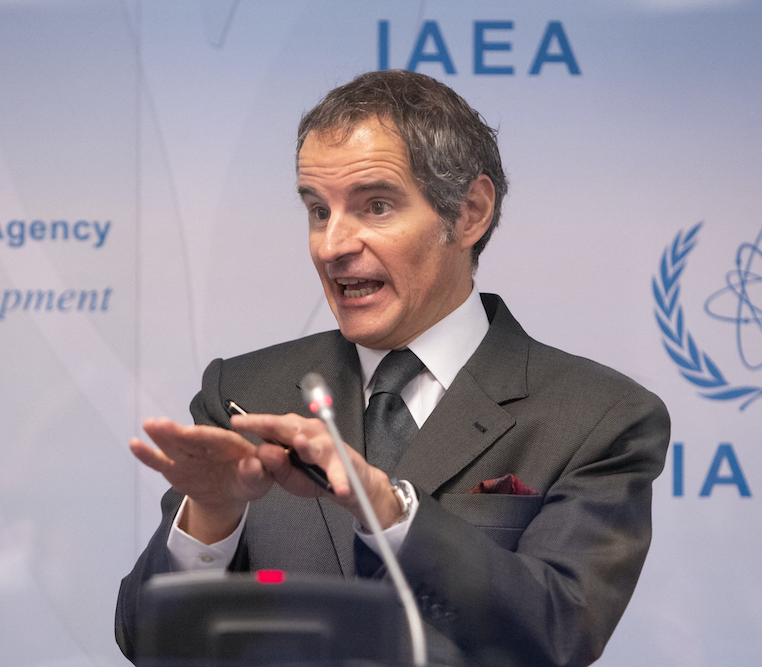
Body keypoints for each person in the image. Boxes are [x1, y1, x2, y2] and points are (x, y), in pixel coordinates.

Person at [115, 70, 670, 667]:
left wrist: (391, 509)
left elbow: (560, 632)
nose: (331, 245)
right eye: (317, 210)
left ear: (470, 213)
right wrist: (211, 519)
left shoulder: (598, 417)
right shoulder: (244, 395)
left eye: (375, 206)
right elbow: (145, 641)